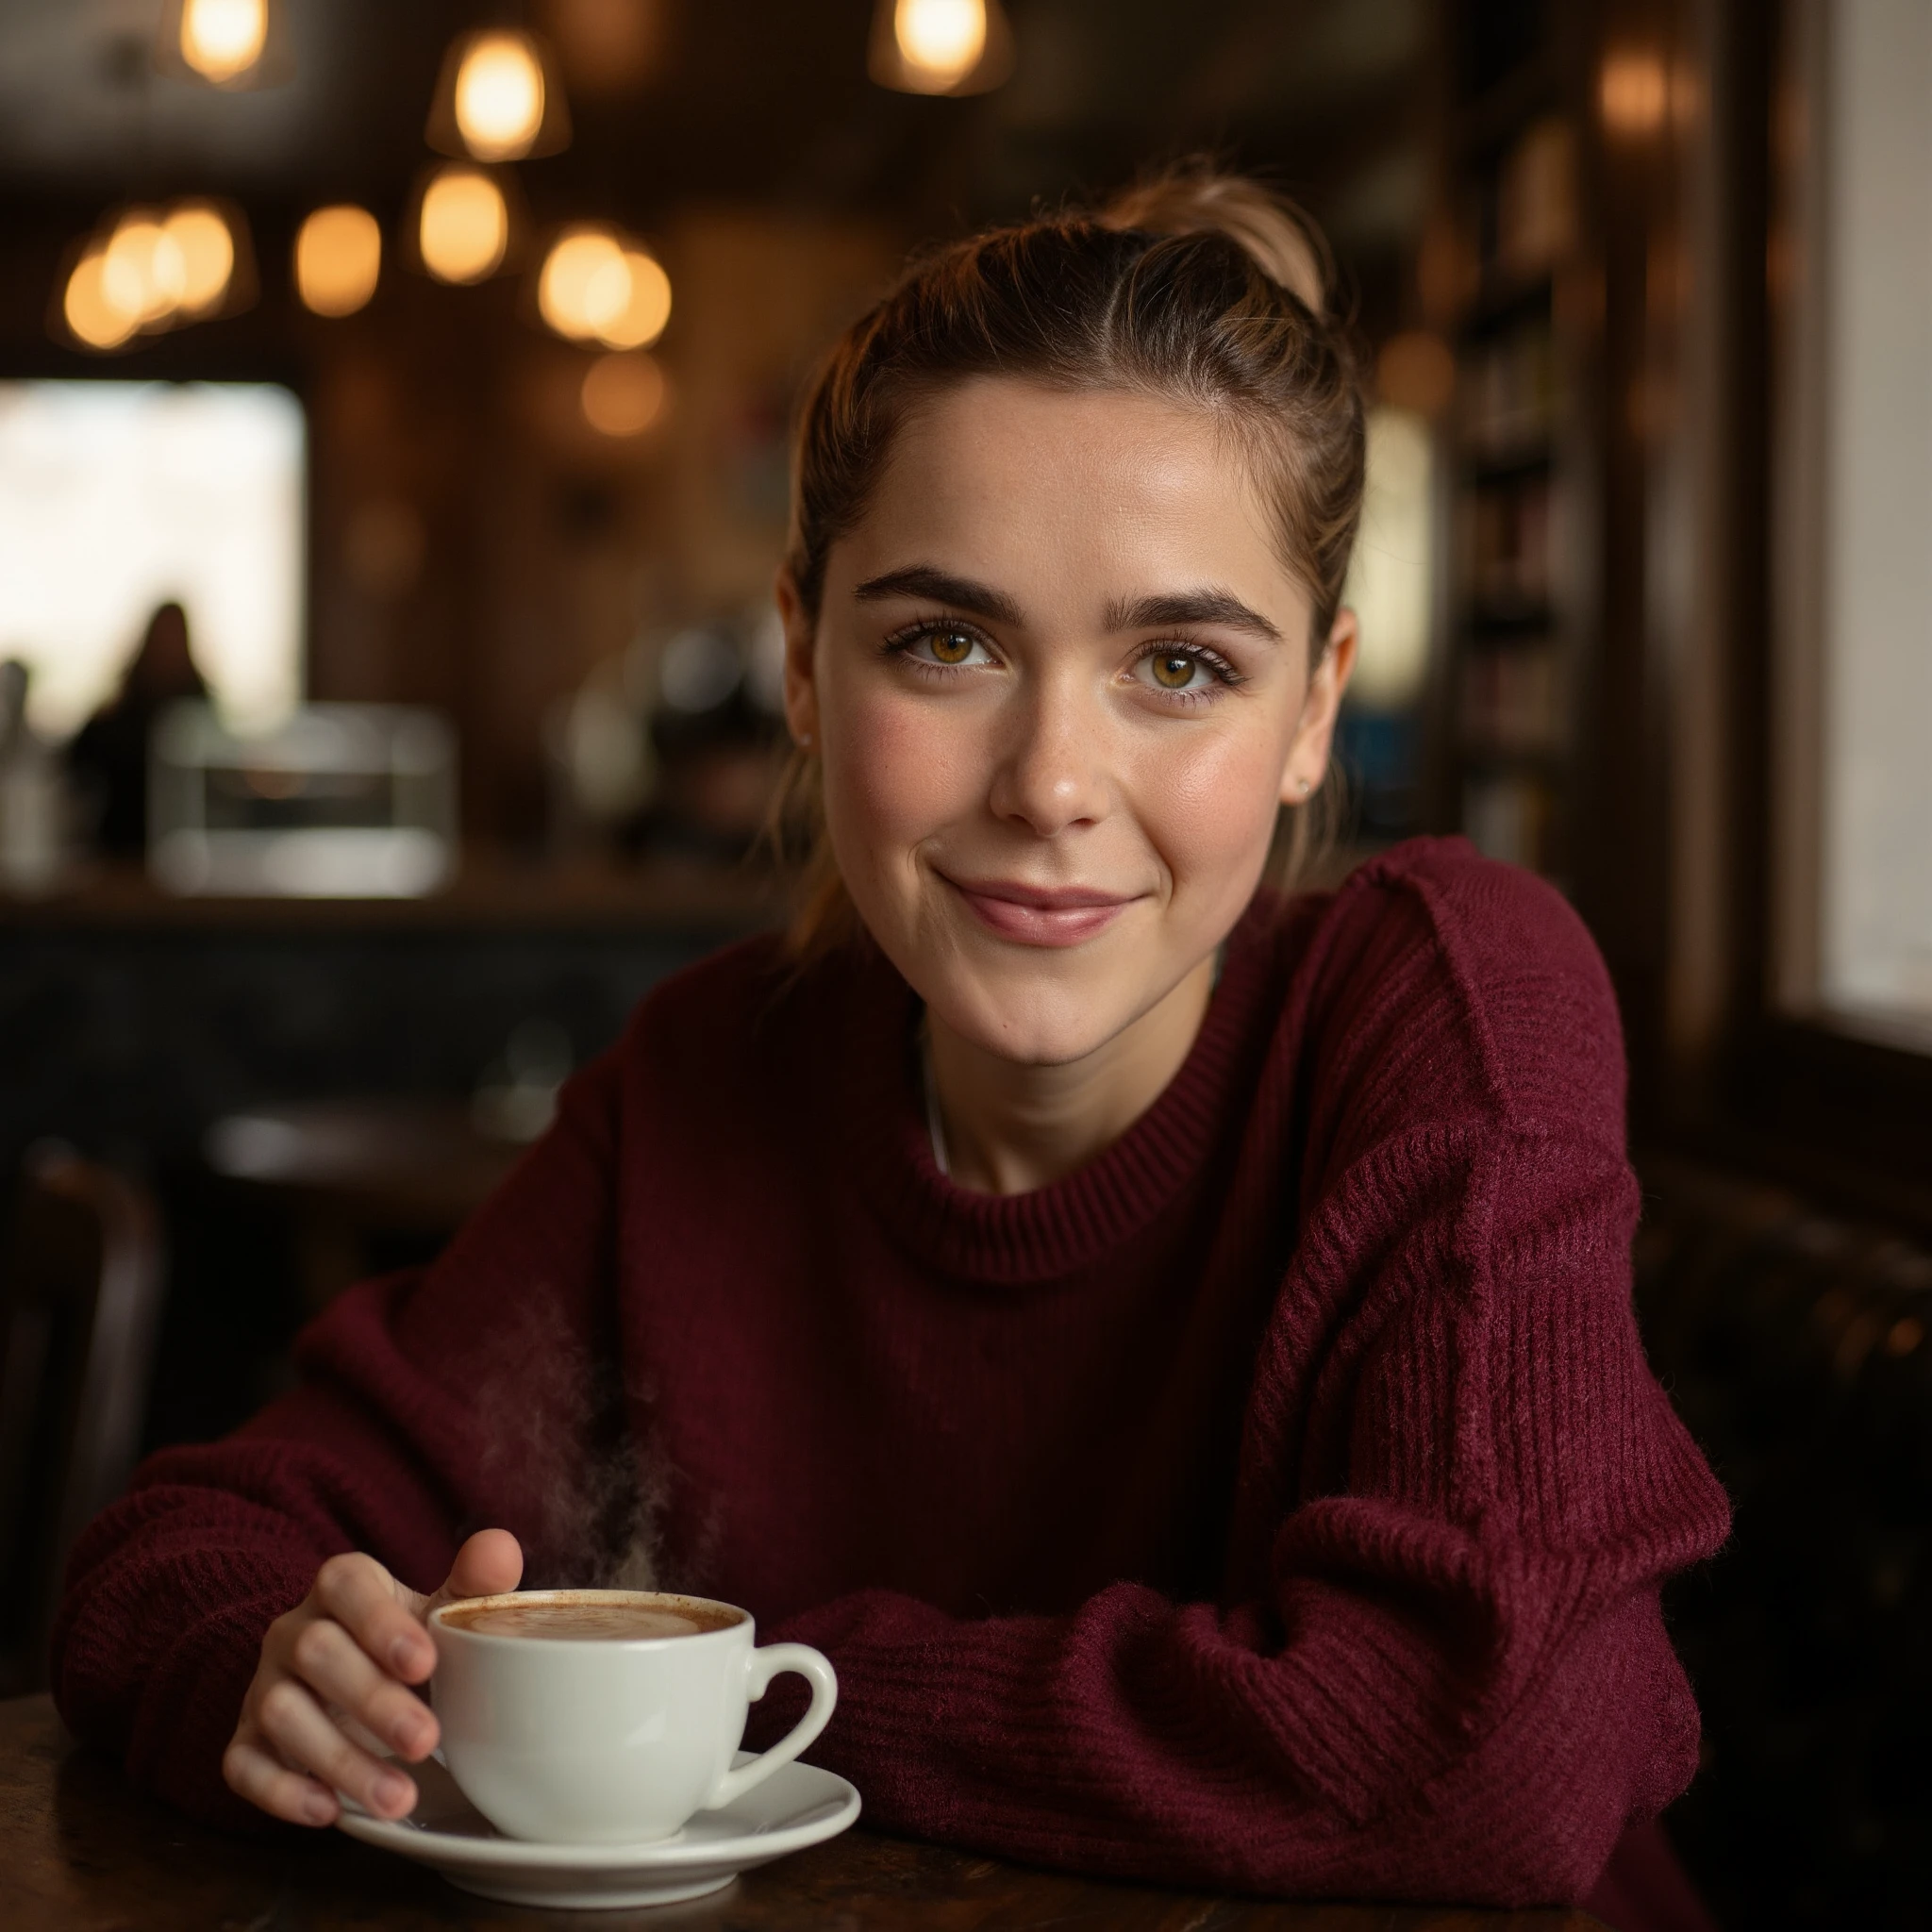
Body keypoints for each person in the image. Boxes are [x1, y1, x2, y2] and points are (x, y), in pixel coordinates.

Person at [50, 168, 1729, 1925]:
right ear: (798, 656)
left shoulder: (1448, 999)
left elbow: (1488, 1747)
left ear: (1314, 705)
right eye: (946, 642)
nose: (1050, 784)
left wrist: (765, 1688)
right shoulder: (716, 1071)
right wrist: (271, 1667)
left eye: (1178, 666)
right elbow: (175, 1558)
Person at [66, 600, 208, 858]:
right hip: (119, 849)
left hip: (183, 850)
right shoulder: (118, 715)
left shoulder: (199, 710)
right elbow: (77, 768)